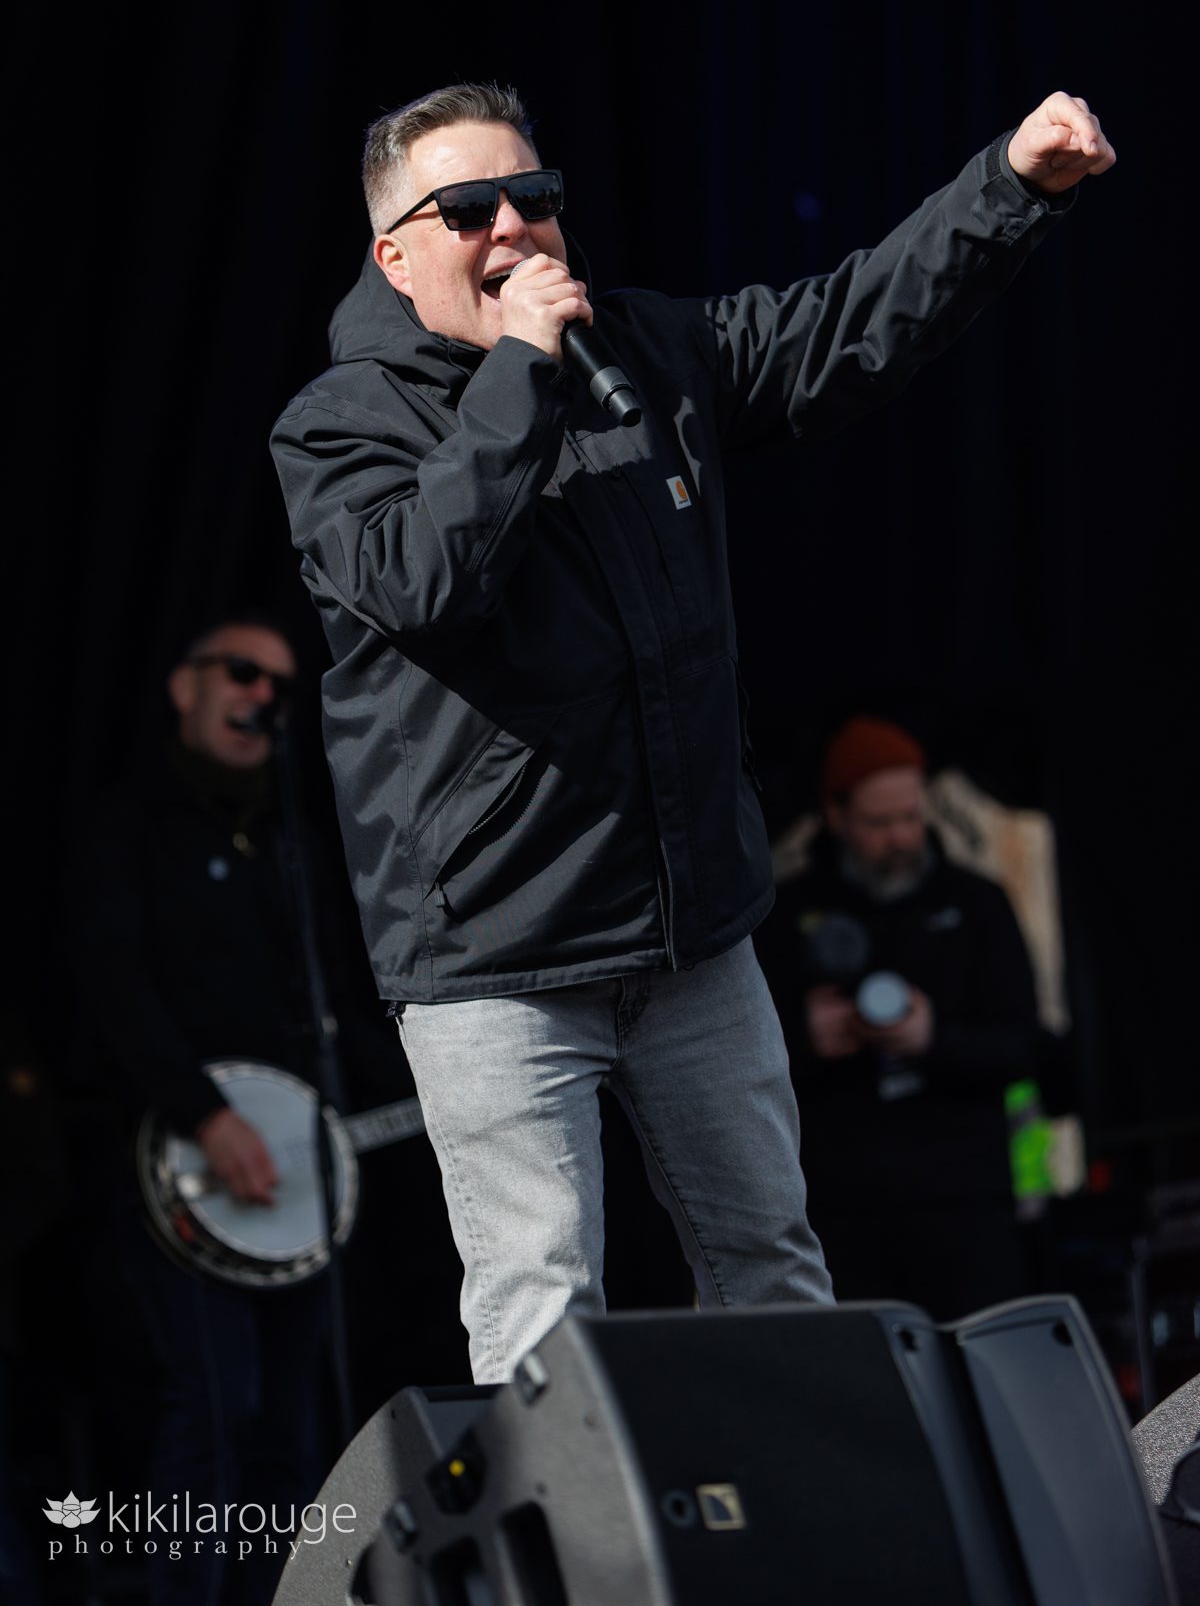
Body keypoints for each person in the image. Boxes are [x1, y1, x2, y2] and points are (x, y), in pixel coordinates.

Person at [269, 81, 1114, 1382]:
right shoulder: (339, 426)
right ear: (396, 251)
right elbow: (422, 583)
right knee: (544, 1309)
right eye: (473, 209)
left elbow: (847, 325)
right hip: (496, 960)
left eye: (536, 200)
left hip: (692, 940)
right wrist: (517, 381)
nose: (517, 231)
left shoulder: (644, 354)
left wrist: (1010, 184)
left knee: (774, 1266)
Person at [72, 619, 329, 1606]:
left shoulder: (290, 841)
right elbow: (111, 984)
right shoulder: (126, 822)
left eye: (281, 683)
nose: (263, 693)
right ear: (185, 686)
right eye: (242, 670)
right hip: (174, 1167)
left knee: (290, 1426)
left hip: (298, 1175)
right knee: (216, 1407)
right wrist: (203, 1110)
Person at [755, 715, 1042, 1319]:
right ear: (836, 817)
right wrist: (805, 1039)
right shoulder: (787, 913)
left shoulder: (977, 904)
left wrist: (932, 1039)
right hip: (844, 1204)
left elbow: (1025, 1046)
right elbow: (735, 1061)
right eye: (880, 823)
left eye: (911, 817)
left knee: (981, 1366)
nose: (901, 837)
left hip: (965, 1199)